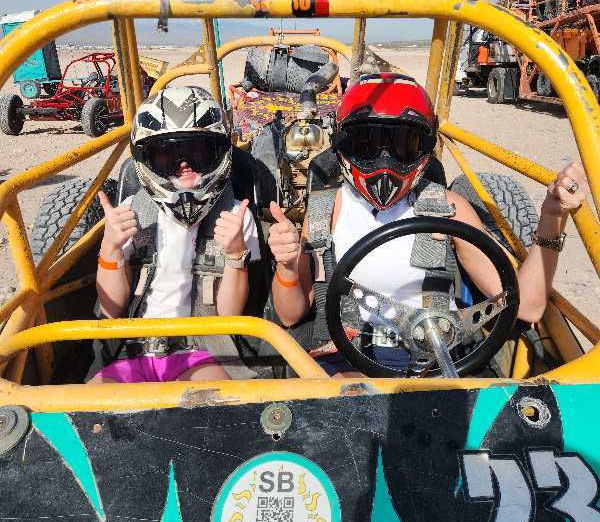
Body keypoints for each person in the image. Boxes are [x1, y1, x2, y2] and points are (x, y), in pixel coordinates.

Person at [267, 73, 589, 376]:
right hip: (345, 357)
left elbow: (528, 307)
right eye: (367, 144)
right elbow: (290, 314)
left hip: (433, 360)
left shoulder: (447, 208)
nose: (385, 163)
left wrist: (552, 217)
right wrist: (287, 266)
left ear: (424, 148)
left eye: (402, 145)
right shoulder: (325, 211)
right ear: (343, 145)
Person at [88, 86, 261, 383]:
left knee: (216, 405)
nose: (184, 165)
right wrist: (111, 248)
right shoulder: (131, 212)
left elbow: (229, 317)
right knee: (87, 406)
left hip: (201, 349)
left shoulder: (235, 216)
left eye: (197, 153)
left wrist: (235, 254)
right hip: (133, 346)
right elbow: (111, 309)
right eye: (167, 155)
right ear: (148, 160)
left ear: (218, 153)